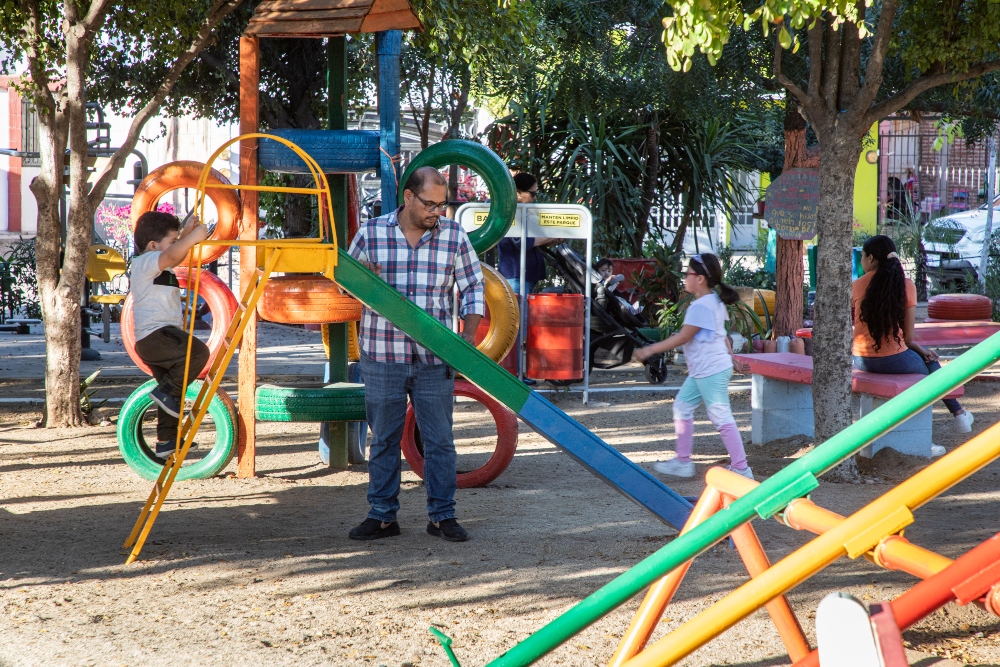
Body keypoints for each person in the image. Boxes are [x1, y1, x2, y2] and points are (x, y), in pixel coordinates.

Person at [347, 166, 485, 543]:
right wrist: (361, 278)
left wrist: (468, 335)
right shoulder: (371, 233)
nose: (437, 212)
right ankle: (382, 516)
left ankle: (442, 516)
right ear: (407, 197)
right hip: (381, 354)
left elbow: (473, 285)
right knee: (385, 439)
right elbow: (343, 286)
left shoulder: (453, 235)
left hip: (435, 358)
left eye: (442, 206)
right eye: (430, 204)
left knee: (439, 440)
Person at [633, 253, 752, 480]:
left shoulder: (702, 306)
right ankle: (683, 461)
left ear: (700, 279)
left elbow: (683, 338)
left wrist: (649, 350)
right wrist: (732, 359)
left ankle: (741, 468)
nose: (684, 277)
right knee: (682, 407)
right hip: (707, 369)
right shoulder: (713, 301)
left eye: (688, 273)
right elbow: (722, 334)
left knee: (720, 416)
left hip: (710, 369)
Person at [852, 235, 973, 433]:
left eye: (862, 257)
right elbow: (907, 338)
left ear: (871, 258)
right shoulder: (905, 285)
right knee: (932, 367)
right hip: (893, 360)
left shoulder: (856, 286)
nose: (862, 261)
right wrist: (922, 350)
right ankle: (958, 415)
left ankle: (958, 416)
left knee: (926, 358)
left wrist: (920, 350)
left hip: (860, 359)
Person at [129, 211, 210, 460]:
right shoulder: (143, 262)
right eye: (172, 240)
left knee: (172, 394)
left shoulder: (158, 262)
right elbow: (172, 254)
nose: (176, 246)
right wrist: (193, 238)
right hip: (155, 337)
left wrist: (184, 234)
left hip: (161, 337)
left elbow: (174, 255)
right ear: (153, 245)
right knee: (198, 353)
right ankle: (166, 396)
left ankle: (166, 441)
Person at [496, 172, 561, 384]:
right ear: (518, 193)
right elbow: (520, 241)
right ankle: (515, 375)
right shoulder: (510, 214)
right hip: (516, 274)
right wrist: (550, 236)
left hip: (523, 275)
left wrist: (547, 240)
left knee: (519, 326)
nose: (535, 198)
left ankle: (517, 373)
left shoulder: (519, 213)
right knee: (517, 328)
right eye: (532, 194)